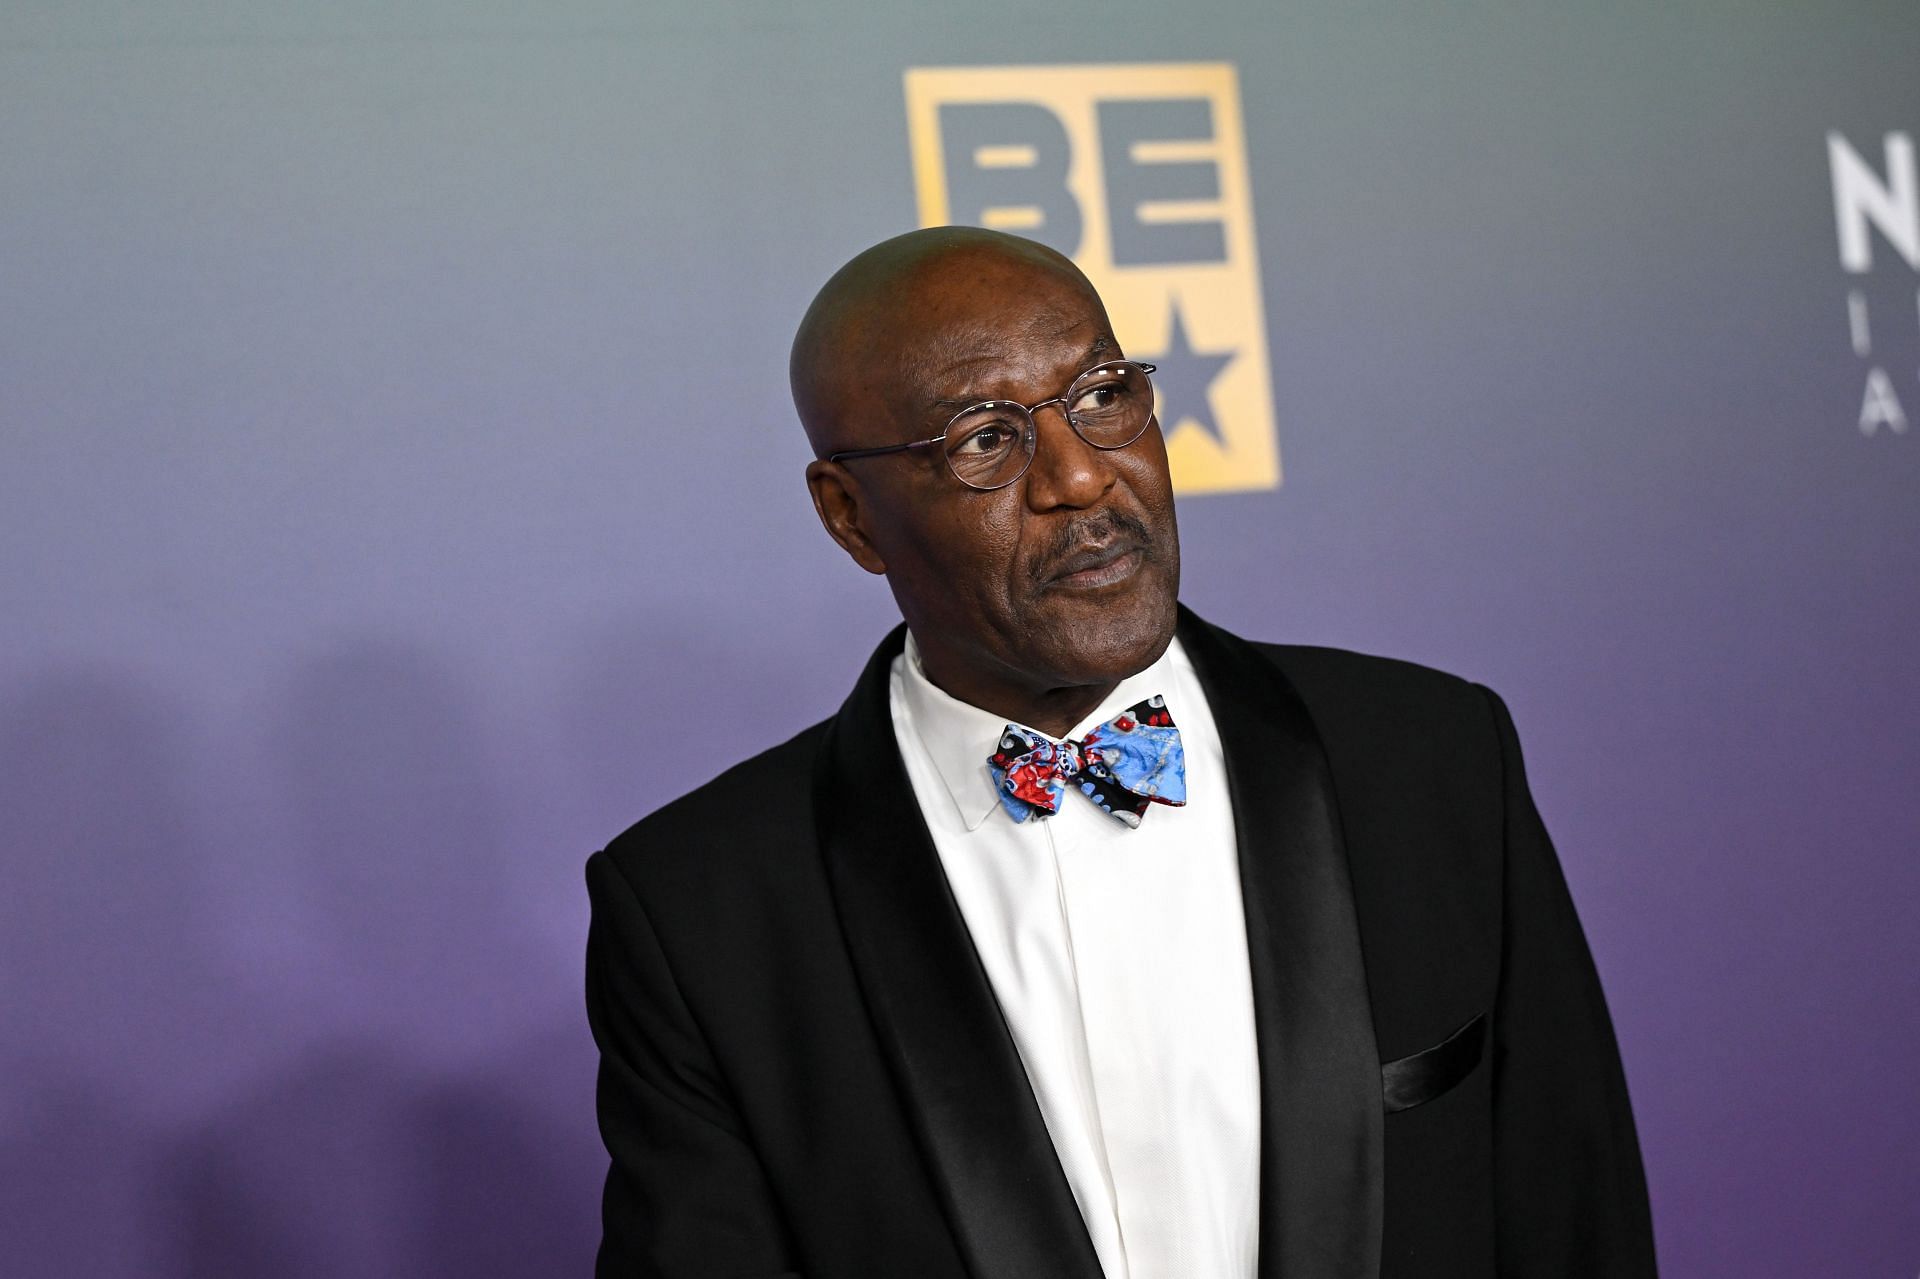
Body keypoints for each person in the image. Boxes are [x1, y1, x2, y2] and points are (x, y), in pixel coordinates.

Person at [583, 226, 1656, 1278]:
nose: (1083, 479)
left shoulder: (1429, 763)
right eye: (985, 439)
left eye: (1103, 396)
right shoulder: (702, 913)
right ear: (851, 517)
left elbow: (1577, 1220)